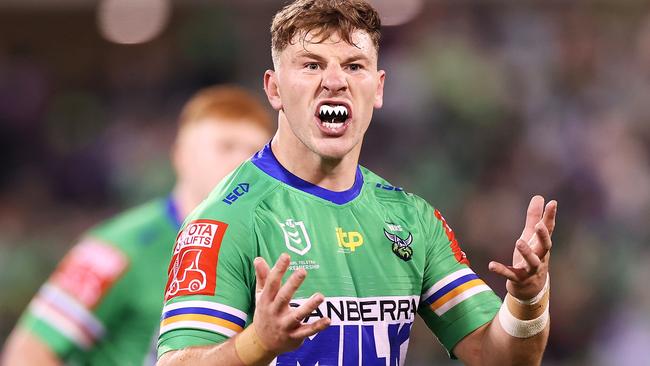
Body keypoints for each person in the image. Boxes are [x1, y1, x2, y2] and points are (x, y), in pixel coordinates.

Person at [156, 1, 558, 365]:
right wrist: (258, 343)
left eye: (353, 65)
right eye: (312, 65)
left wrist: (527, 299)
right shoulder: (226, 220)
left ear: (378, 87)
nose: (335, 81)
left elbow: (500, 359)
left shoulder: (411, 220)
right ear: (274, 89)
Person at [1, 85, 274, 365]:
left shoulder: (269, 246)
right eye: (225, 146)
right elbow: (27, 353)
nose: (242, 163)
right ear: (181, 156)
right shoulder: (116, 248)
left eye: (253, 152)